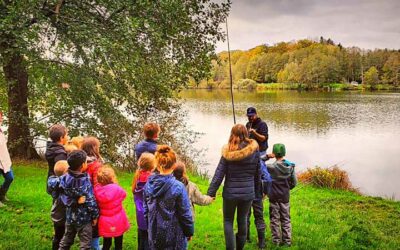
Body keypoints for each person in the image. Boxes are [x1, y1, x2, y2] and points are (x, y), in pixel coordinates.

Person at [207, 124, 261, 250]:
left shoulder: (229, 151)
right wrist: (258, 192)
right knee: (242, 219)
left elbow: (219, 173)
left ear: (232, 134)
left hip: (230, 194)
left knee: (228, 221)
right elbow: (258, 173)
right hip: (248, 193)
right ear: (246, 134)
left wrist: (211, 192)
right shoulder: (255, 150)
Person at [144, 145, 194, 250]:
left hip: (154, 233)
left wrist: (149, 227)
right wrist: (189, 231)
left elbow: (146, 210)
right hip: (174, 237)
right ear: (174, 165)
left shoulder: (148, 184)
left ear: (156, 164)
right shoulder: (178, 187)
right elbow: (185, 213)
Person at [59, 150, 99, 250]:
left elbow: (59, 193)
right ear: (82, 165)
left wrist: (71, 201)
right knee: (85, 244)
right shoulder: (84, 181)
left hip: (70, 217)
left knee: (66, 240)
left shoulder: (64, 178)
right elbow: (90, 201)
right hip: (84, 219)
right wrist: (95, 216)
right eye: (86, 161)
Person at [245, 107, 269, 248]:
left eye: (252, 116)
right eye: (248, 116)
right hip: (251, 154)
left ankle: (261, 243)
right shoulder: (247, 124)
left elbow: (264, 138)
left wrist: (254, 133)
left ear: (256, 114)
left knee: (256, 215)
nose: (250, 118)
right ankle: (247, 237)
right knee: (249, 215)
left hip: (260, 152)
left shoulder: (262, 124)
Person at [266, 143, 297, 246]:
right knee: (286, 219)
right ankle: (287, 241)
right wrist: (288, 188)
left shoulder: (270, 167)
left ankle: (276, 242)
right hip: (284, 197)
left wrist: (266, 156)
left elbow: (259, 164)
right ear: (284, 153)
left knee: (274, 220)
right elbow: (294, 183)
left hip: (273, 197)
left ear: (274, 153)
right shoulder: (290, 166)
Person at [94, 166, 130, 250]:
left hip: (105, 220)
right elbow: (124, 195)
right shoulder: (117, 188)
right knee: (118, 242)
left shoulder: (97, 190)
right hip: (118, 219)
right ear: (112, 178)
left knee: (106, 242)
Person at [81, 136, 103, 250]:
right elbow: (97, 184)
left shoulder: (80, 162)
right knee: (95, 226)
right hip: (93, 200)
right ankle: (95, 247)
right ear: (95, 148)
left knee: (85, 225)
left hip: (81, 198)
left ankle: (88, 244)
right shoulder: (96, 165)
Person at [132, 152, 156, 250]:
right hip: (149, 213)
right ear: (152, 166)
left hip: (139, 212)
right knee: (149, 239)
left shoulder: (137, 176)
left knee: (142, 237)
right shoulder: (152, 179)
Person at [47, 160, 70, 250]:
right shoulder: (63, 182)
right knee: (63, 237)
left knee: (58, 236)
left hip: (56, 214)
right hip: (63, 216)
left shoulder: (52, 180)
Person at [0, 111, 14, 207]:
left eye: (1, 117)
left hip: (4, 160)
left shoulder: (0, 131)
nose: (1, 119)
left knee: (9, 178)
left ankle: (2, 195)